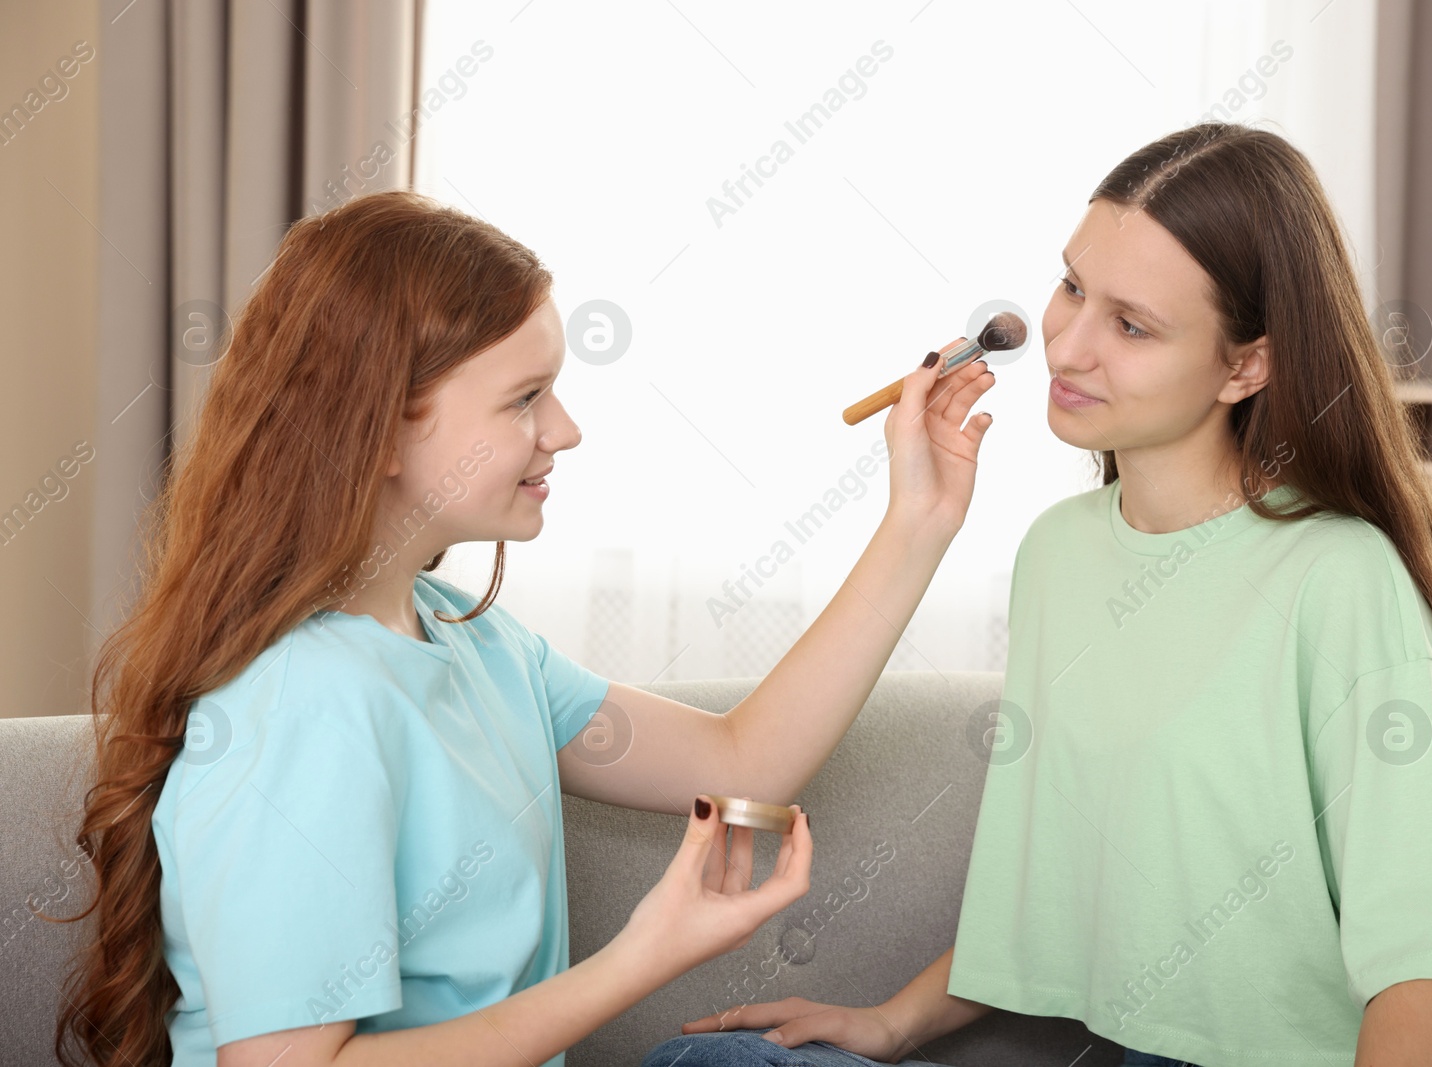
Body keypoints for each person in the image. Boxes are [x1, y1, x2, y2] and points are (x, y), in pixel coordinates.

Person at [646, 123, 1432, 1067]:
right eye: (1072, 287)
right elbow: (1052, 873)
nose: (1068, 344)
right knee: (712, 1064)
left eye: (1131, 325)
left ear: (1245, 365)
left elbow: (1423, 976)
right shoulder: (1061, 554)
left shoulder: (1339, 577)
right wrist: (890, 1023)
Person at [48, 189, 997, 1067]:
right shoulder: (302, 706)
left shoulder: (470, 644)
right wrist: (641, 958)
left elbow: (742, 759)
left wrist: (919, 520)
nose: (567, 428)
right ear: (376, 431)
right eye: (523, 398)